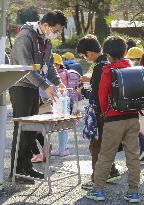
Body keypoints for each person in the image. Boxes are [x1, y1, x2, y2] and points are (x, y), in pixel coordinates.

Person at [9, 10, 67, 182]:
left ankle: (26, 167)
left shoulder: (46, 39)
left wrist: (57, 82)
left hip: (33, 88)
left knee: (32, 129)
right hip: (20, 86)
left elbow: (49, 64)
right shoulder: (25, 37)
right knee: (21, 129)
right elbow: (25, 68)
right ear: (46, 25)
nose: (56, 34)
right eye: (55, 30)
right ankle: (16, 170)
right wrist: (45, 85)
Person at [86, 36, 141, 203]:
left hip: (113, 119)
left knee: (106, 155)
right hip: (132, 117)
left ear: (107, 54)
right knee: (133, 155)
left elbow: (102, 97)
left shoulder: (107, 71)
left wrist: (105, 112)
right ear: (125, 52)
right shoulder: (133, 69)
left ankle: (98, 190)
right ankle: (133, 193)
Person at [76, 34, 121, 191]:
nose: (84, 57)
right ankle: (112, 171)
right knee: (106, 144)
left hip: (100, 112)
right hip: (113, 111)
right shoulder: (108, 62)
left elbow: (95, 96)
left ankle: (97, 178)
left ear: (89, 52)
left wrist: (83, 91)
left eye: (83, 54)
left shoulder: (98, 67)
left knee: (95, 145)